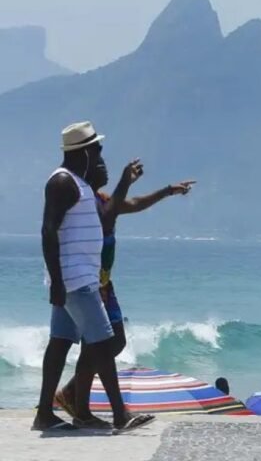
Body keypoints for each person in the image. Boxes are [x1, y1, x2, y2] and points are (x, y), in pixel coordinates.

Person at [33, 122, 152, 432]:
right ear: (82, 152)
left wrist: (125, 183)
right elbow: (48, 230)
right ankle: (120, 414)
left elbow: (109, 213)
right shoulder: (62, 183)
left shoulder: (79, 185)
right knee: (102, 342)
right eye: (96, 149)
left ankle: (44, 413)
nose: (100, 154)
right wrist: (57, 281)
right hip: (75, 281)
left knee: (59, 344)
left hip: (77, 278)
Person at [55, 156, 194, 421]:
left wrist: (167, 191)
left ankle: (74, 399)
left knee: (106, 343)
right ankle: (81, 404)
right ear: (88, 172)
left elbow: (131, 204)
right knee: (105, 342)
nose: (104, 167)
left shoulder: (103, 198)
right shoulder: (87, 204)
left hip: (104, 283)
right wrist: (125, 181)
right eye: (100, 165)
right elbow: (106, 220)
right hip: (90, 281)